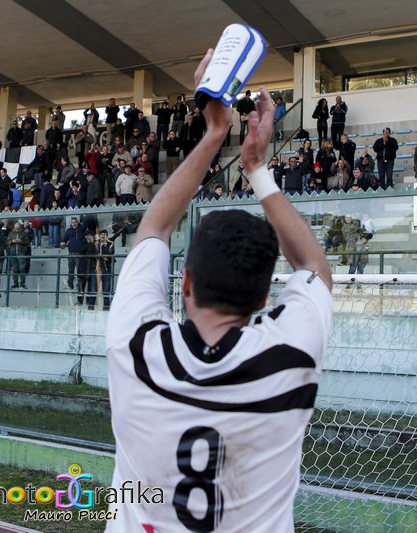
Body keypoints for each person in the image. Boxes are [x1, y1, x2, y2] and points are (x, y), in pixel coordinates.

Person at [104, 52, 332, 532]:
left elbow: (153, 229)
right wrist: (256, 167)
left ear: (184, 282)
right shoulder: (290, 358)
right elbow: (312, 265)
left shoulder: (135, 346)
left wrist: (213, 133)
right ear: (264, 298)